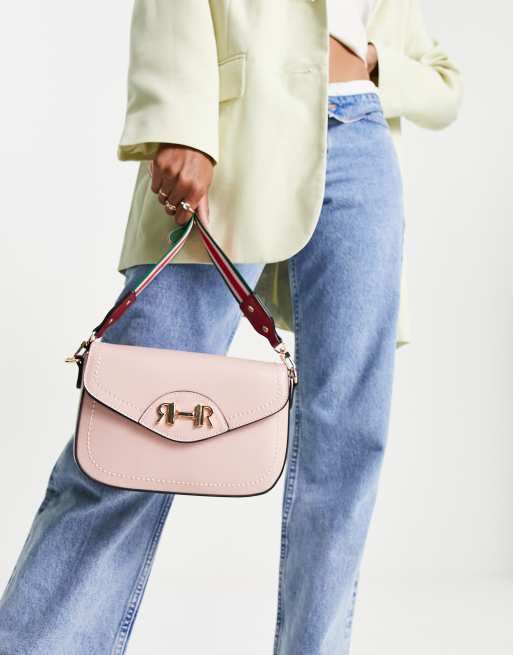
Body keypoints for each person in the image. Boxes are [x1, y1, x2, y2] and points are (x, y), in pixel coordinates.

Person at [0, 1, 462, 653]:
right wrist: (178, 123)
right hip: (237, 125)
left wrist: (374, 61)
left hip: (363, 137)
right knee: (134, 424)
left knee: (347, 440)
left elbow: (444, 81)